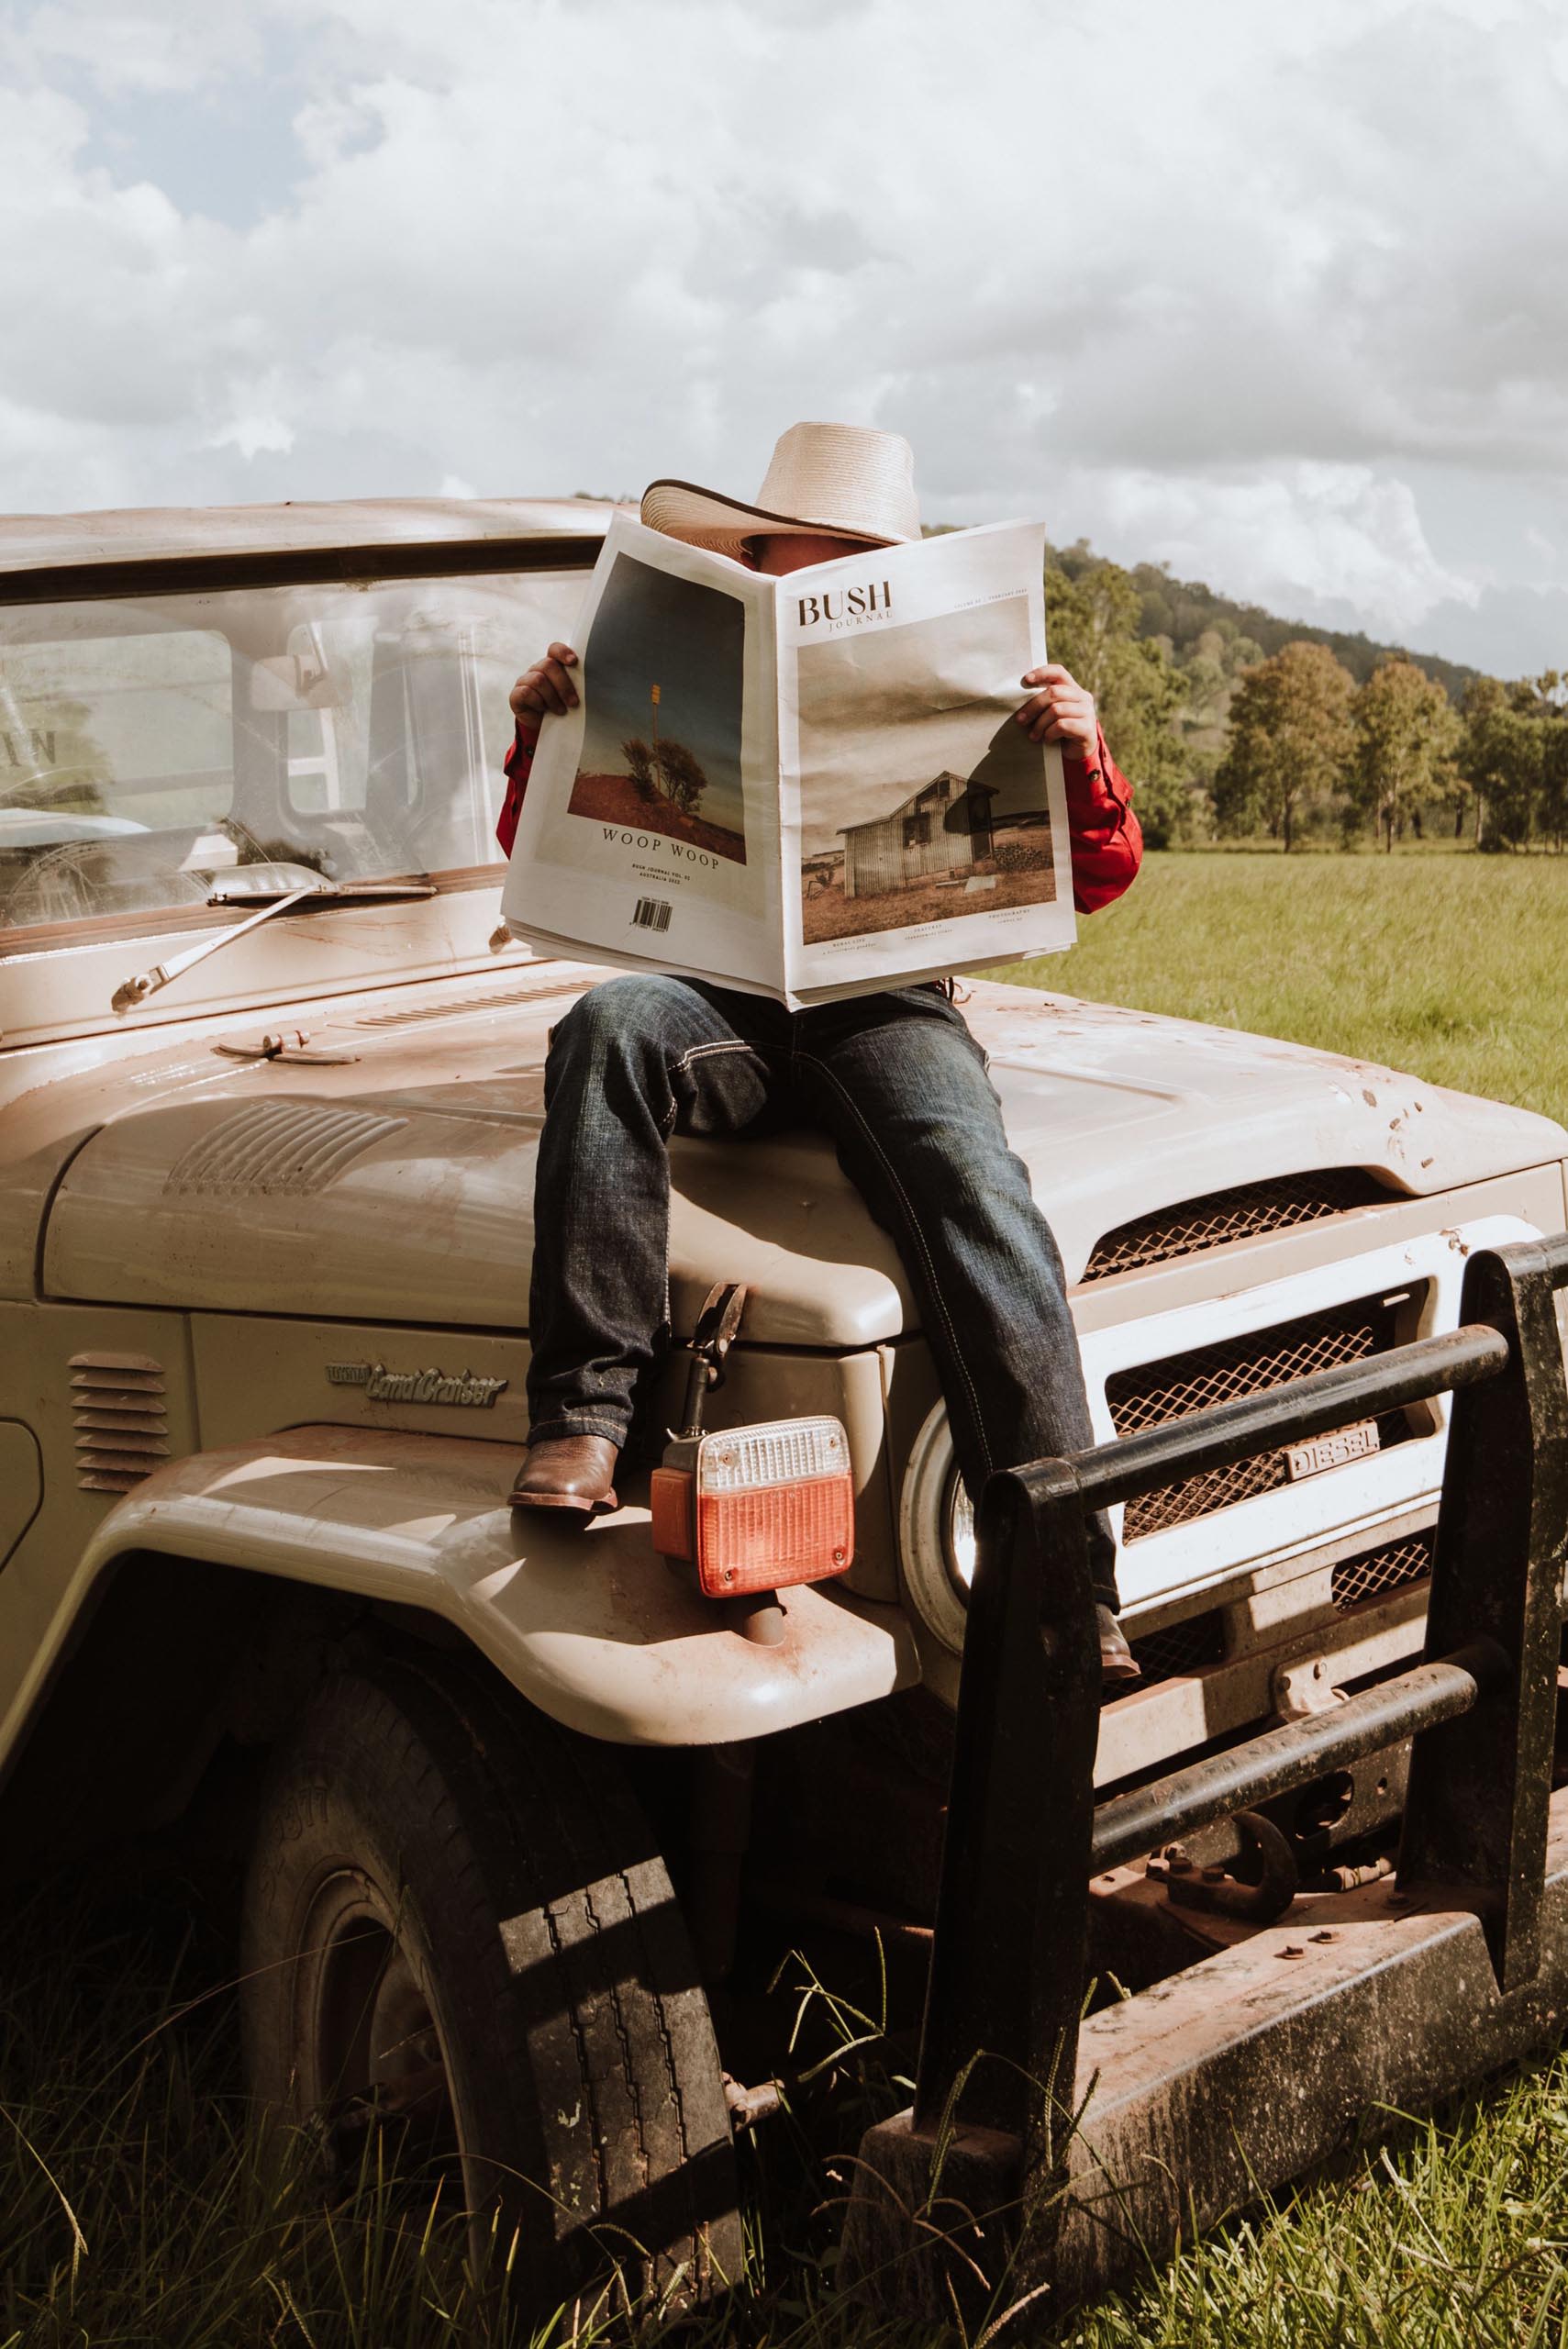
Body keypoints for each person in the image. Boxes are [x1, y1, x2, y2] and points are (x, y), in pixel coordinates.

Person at [496, 424, 1144, 1679]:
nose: (812, 576)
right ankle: (583, 1418)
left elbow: (1100, 879)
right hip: (717, 992)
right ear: (755, 558)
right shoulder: (671, 660)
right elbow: (541, 847)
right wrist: (549, 733)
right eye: (797, 561)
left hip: (883, 995)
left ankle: (1070, 1578)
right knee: (604, 1025)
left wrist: (1079, 747)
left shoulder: (991, 681)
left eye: (846, 564)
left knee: (975, 1180)